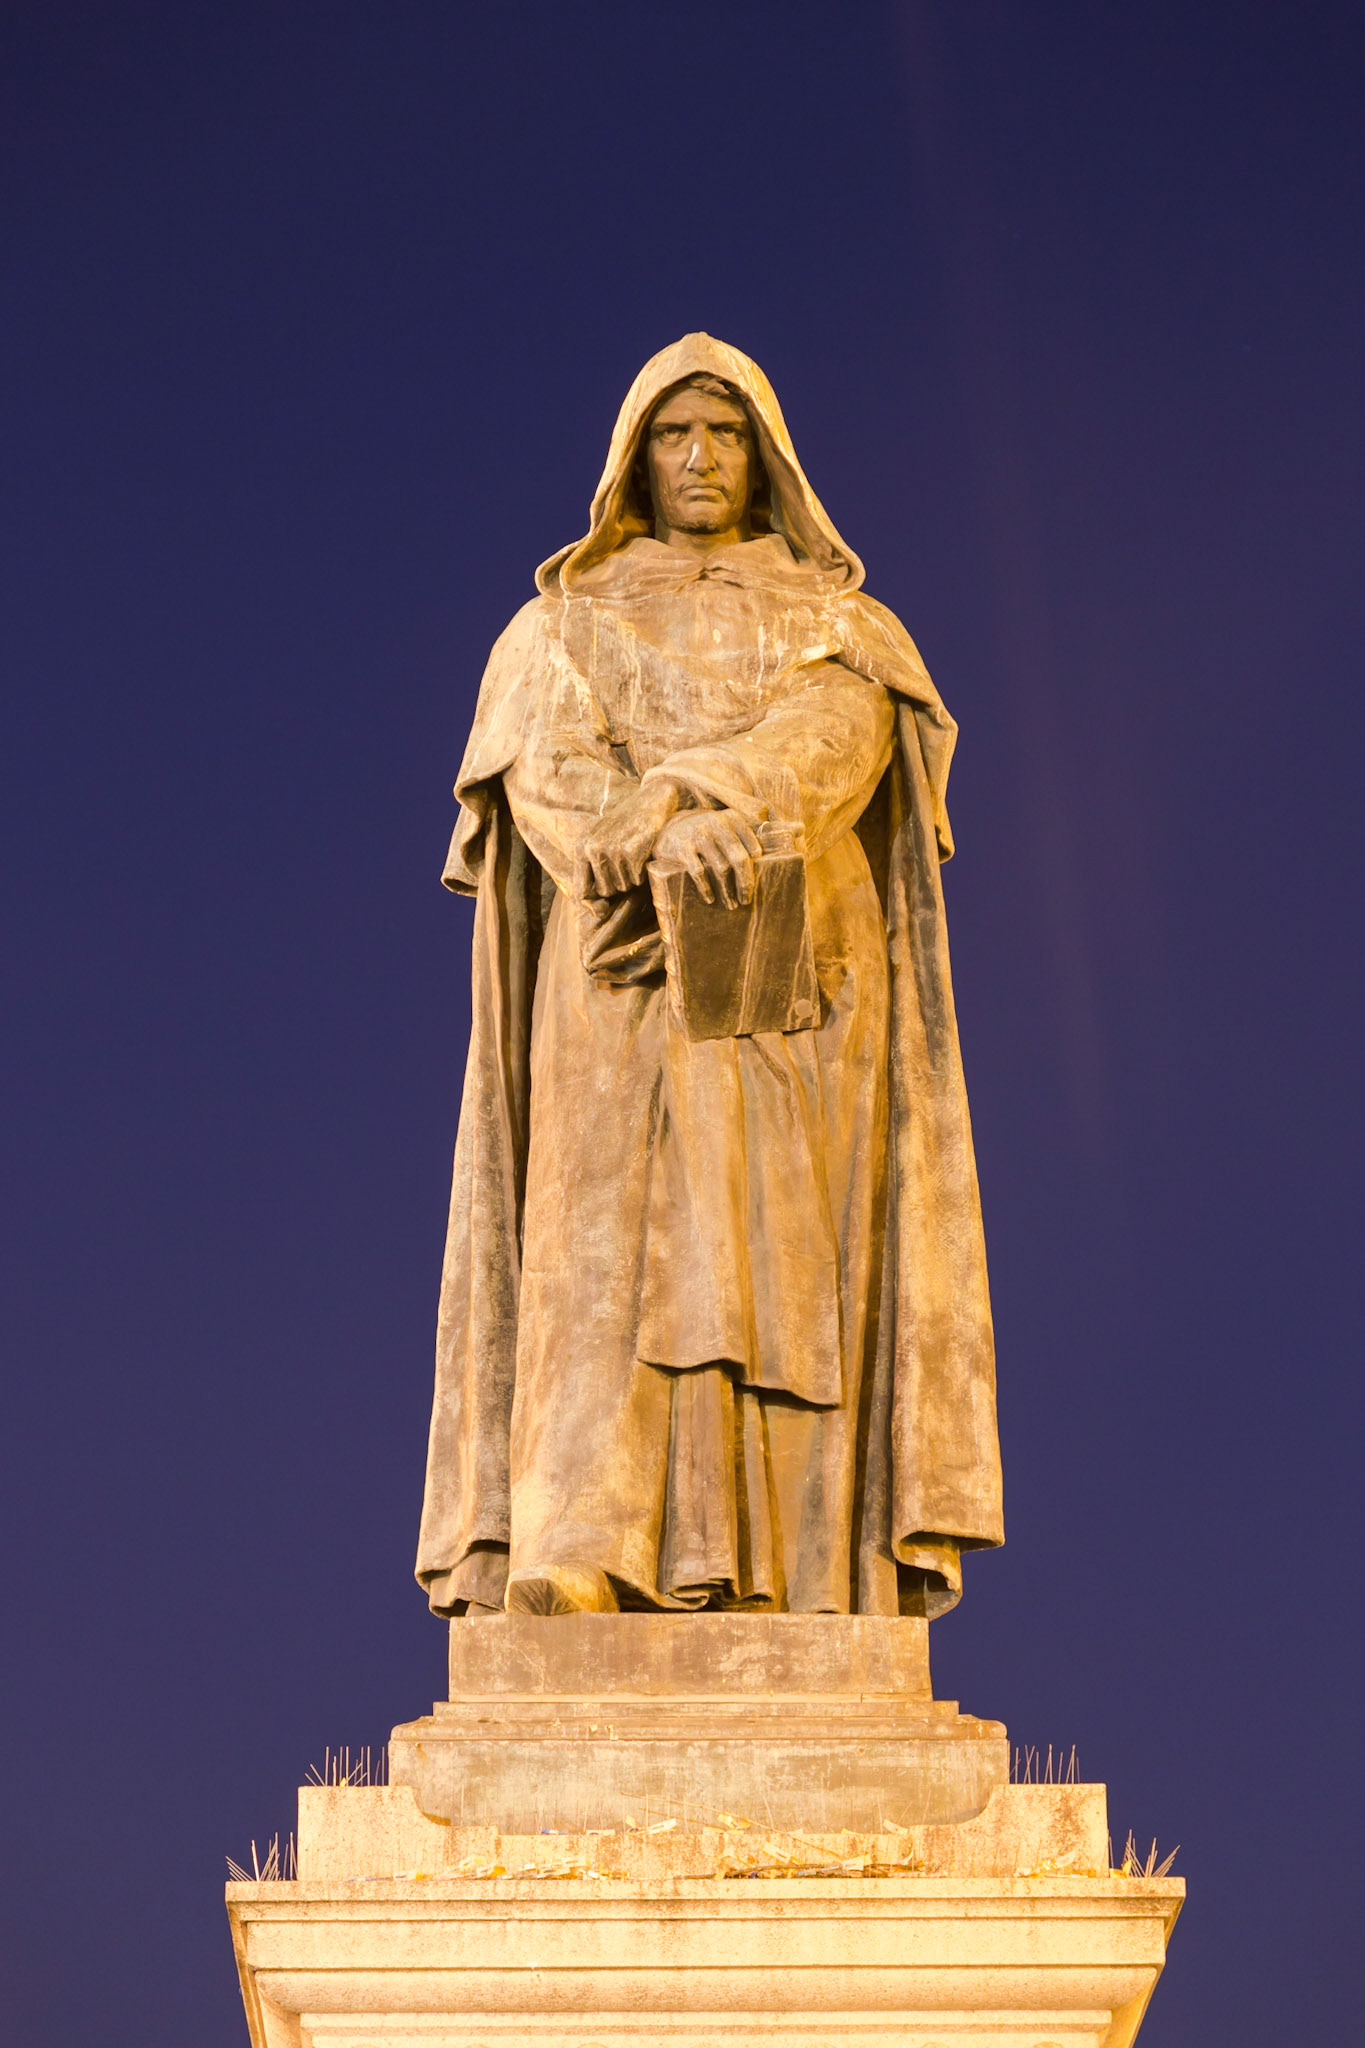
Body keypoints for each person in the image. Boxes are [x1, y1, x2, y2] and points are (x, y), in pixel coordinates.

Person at [416, 333, 1002, 1619]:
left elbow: (841, 736)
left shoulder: (841, 620)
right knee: (596, 1253)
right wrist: (656, 839)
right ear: (635, 457)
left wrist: (697, 790)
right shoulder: (557, 625)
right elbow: (550, 774)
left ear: (765, 456)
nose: (698, 457)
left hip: (792, 983)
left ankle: (793, 1570)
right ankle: (583, 1544)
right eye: (675, 433)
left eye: (723, 433)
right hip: (618, 974)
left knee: (778, 1264)